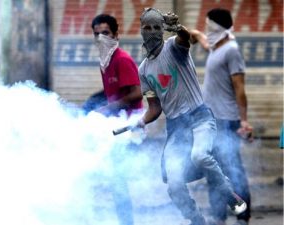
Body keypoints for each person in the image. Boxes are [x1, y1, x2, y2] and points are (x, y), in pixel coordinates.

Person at [133, 8, 247, 225]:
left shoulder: (173, 48)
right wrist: (141, 121)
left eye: (156, 27)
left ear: (162, 29)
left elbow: (186, 39)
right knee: (174, 184)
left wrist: (178, 28)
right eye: (147, 27)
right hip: (176, 128)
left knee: (200, 156)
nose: (151, 32)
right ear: (141, 30)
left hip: (200, 118)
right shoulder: (143, 70)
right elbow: (154, 108)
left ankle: (229, 195)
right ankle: (196, 220)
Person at [189, 8, 253, 225]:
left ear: (218, 27)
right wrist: (196, 35)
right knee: (212, 171)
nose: (208, 30)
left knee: (233, 171)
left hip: (227, 121)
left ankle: (242, 217)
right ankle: (219, 217)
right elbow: (207, 43)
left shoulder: (232, 50)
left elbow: (240, 88)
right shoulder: (217, 48)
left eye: (209, 27)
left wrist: (243, 121)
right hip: (211, 121)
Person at [90, 14, 143, 225]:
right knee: (115, 179)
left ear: (116, 34)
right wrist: (94, 103)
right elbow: (113, 91)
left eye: (106, 33)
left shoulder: (121, 59)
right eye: (97, 34)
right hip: (117, 122)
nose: (101, 38)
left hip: (130, 126)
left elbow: (137, 93)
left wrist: (106, 109)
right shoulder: (106, 60)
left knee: (118, 179)